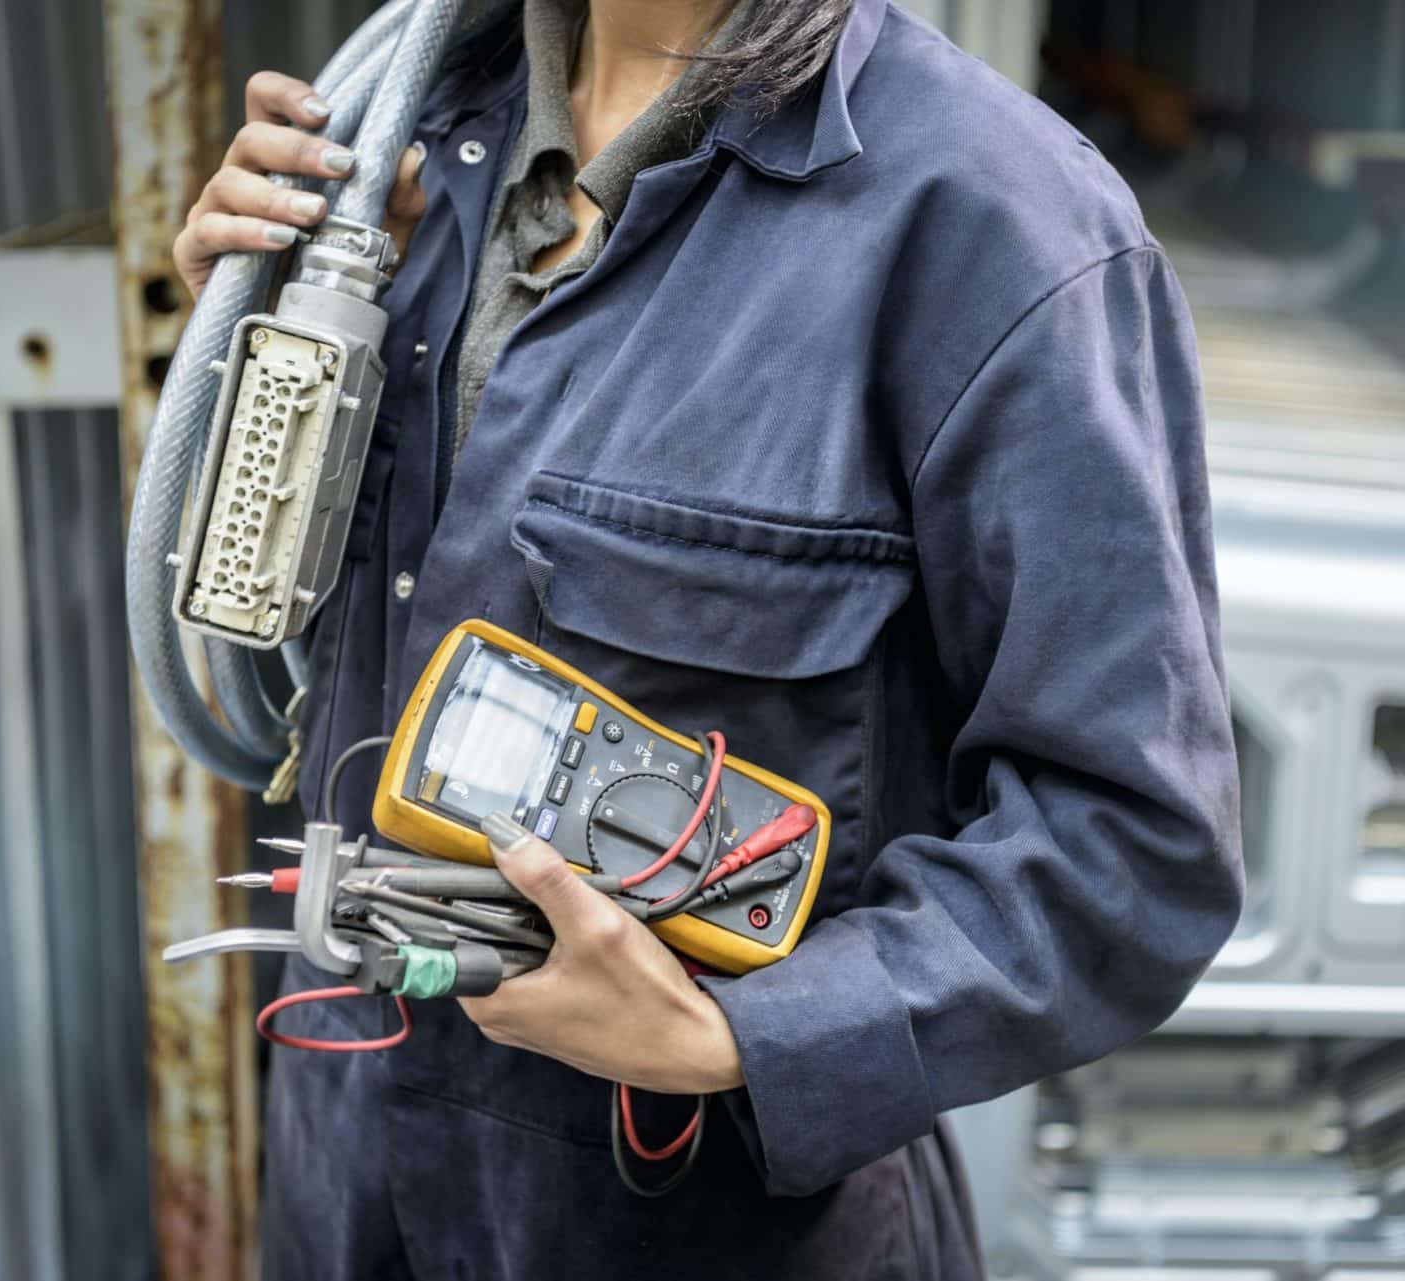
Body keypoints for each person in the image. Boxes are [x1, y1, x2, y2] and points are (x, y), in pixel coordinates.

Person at [175, 0, 1243, 1275]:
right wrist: (259, 332)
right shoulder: (403, 142)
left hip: (688, 1219)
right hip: (348, 1186)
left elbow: (1129, 851)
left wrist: (741, 1038)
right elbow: (290, 636)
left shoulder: (997, 224)